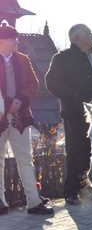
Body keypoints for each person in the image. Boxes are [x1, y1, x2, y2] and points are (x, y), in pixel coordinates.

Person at [46, 24, 92, 205]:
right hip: (77, 113)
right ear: (77, 38)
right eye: (88, 32)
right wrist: (74, 96)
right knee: (76, 151)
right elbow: (52, 82)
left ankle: (86, 188)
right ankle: (70, 191)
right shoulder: (63, 58)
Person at [0, 23, 53, 215]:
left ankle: (33, 201)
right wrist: (6, 102)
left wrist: (20, 100)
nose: (17, 41)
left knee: (25, 159)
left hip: (20, 117)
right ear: (2, 40)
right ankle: (1, 202)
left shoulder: (23, 59)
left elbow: (33, 83)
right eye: (13, 39)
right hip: (0, 117)